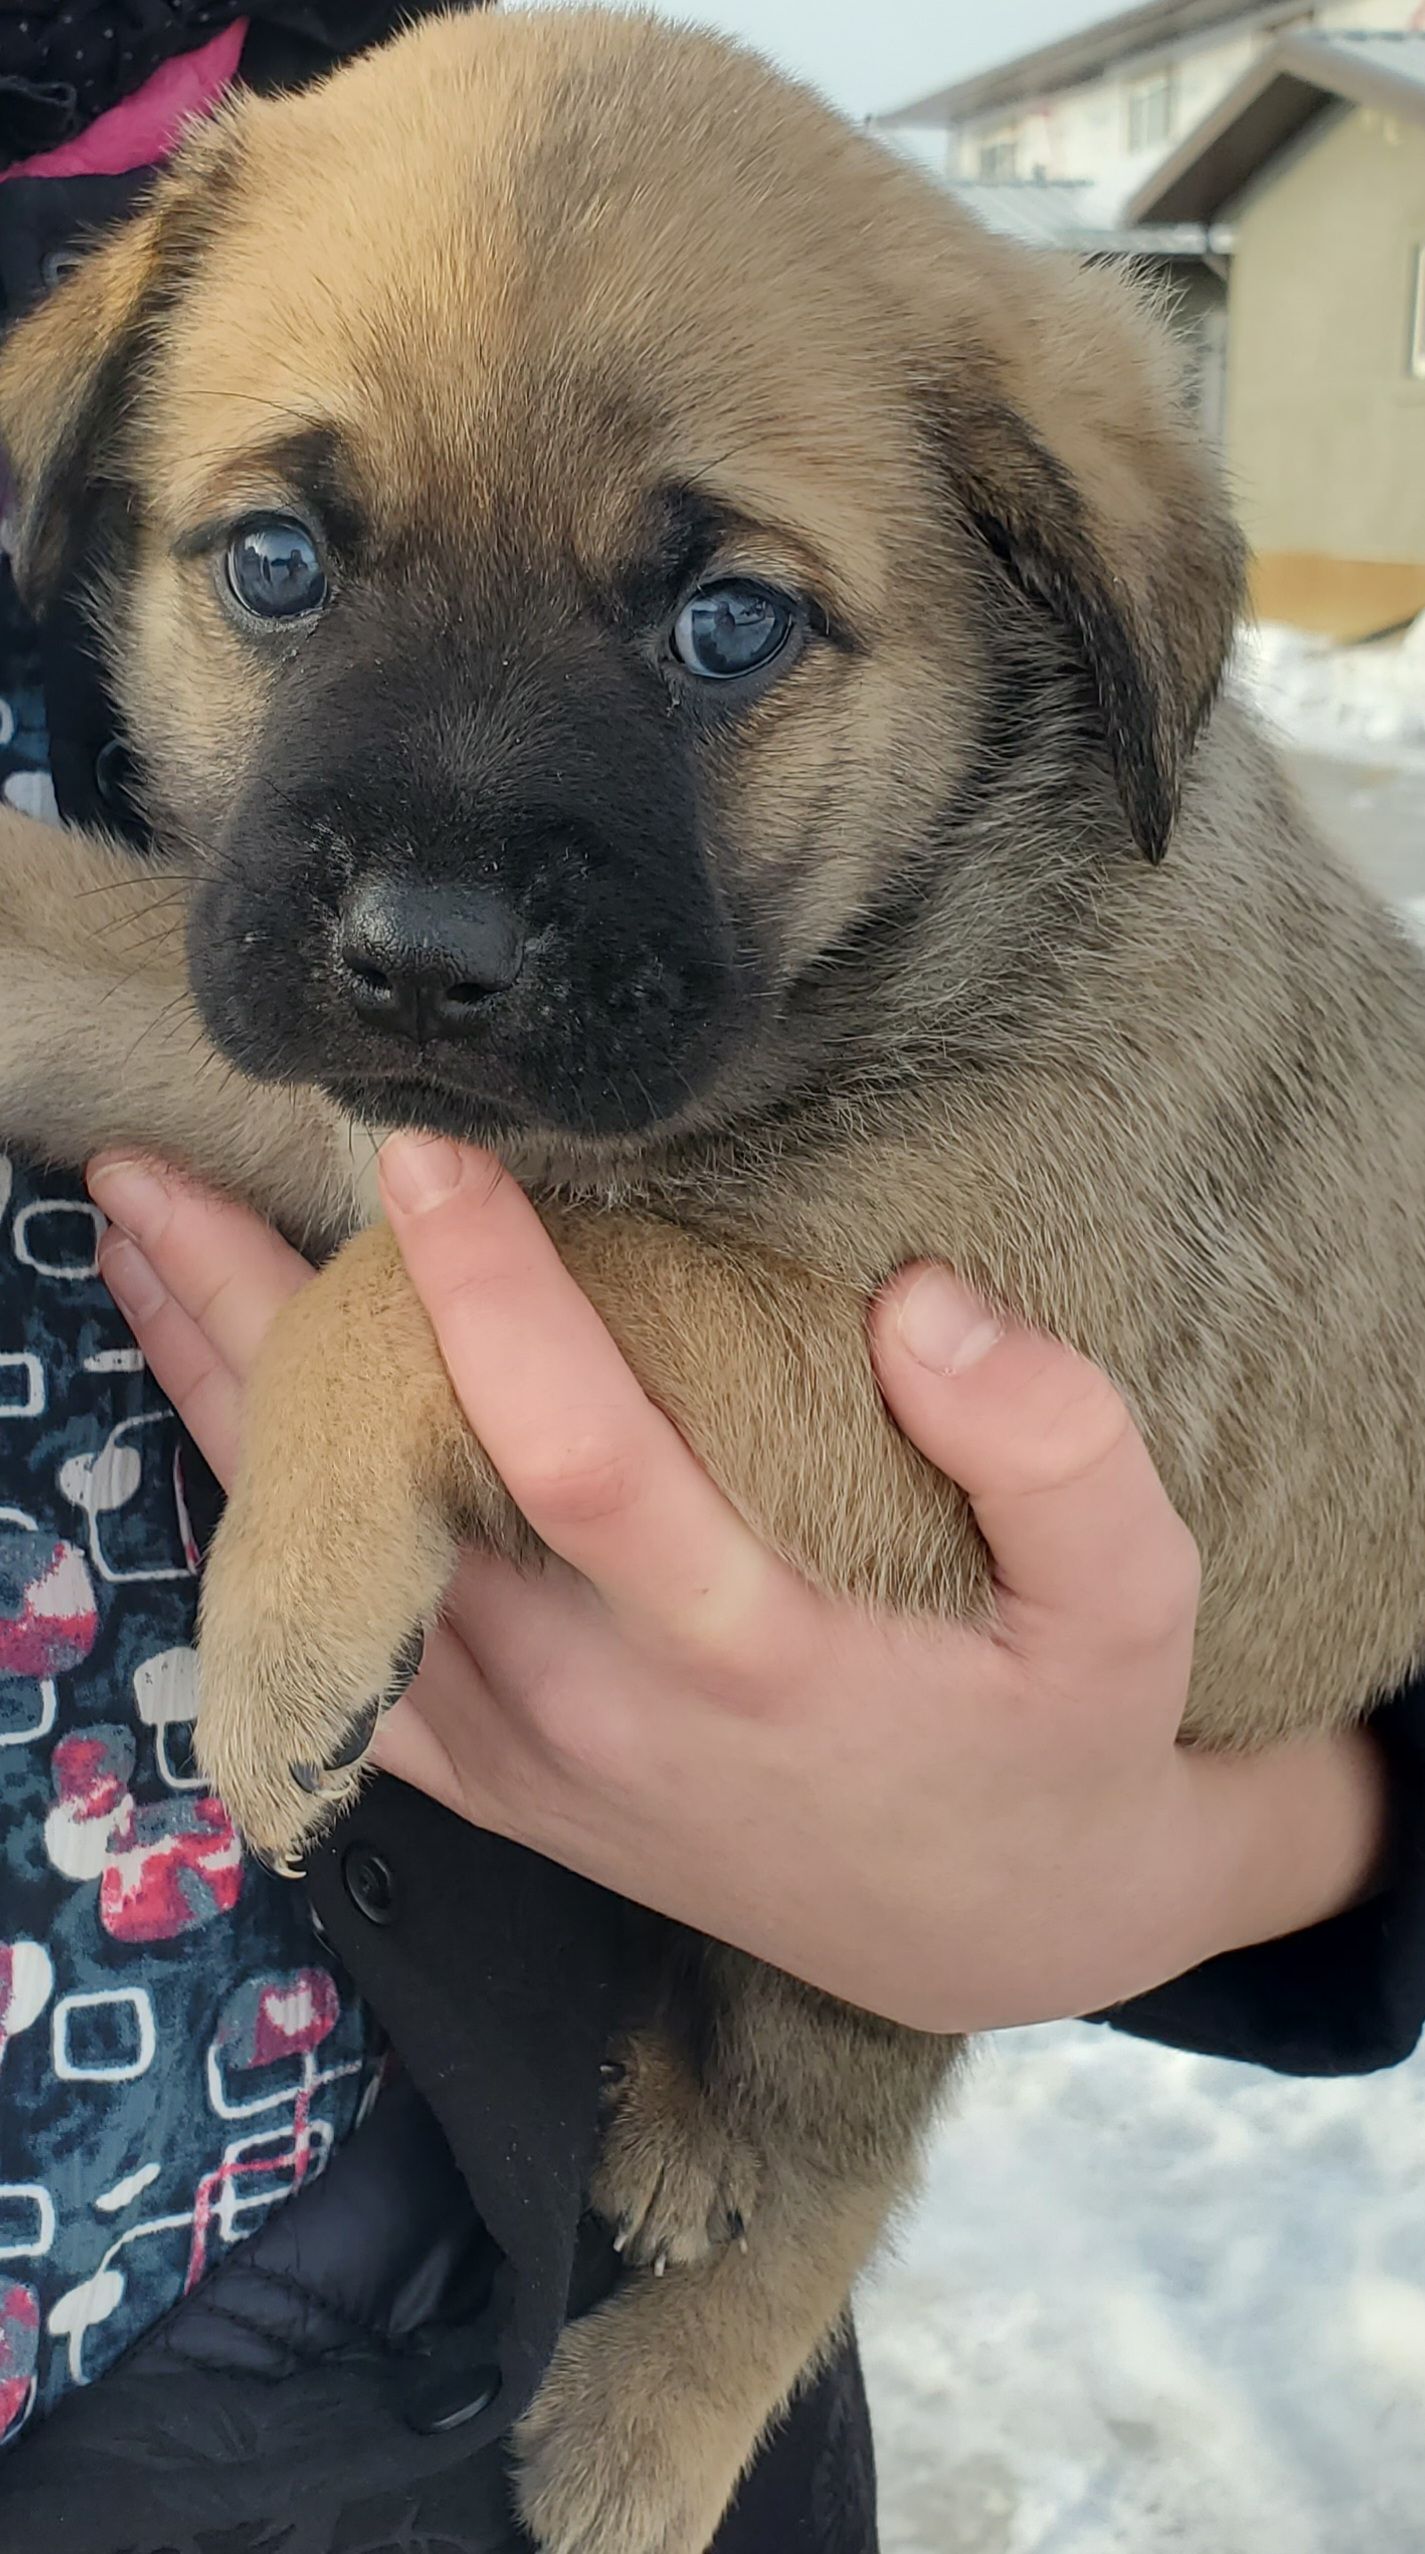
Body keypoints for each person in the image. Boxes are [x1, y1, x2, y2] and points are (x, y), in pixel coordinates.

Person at [0, 10, 1421, 2550]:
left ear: (1052, 605)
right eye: (287, 572)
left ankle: (753, 2297)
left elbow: (911, 1455)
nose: (425, 897)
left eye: (725, 628)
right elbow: (169, 1024)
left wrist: (387, 1382)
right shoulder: (259, 237)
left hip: (450, 2253)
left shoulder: (1057, 934)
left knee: (796, 2058)